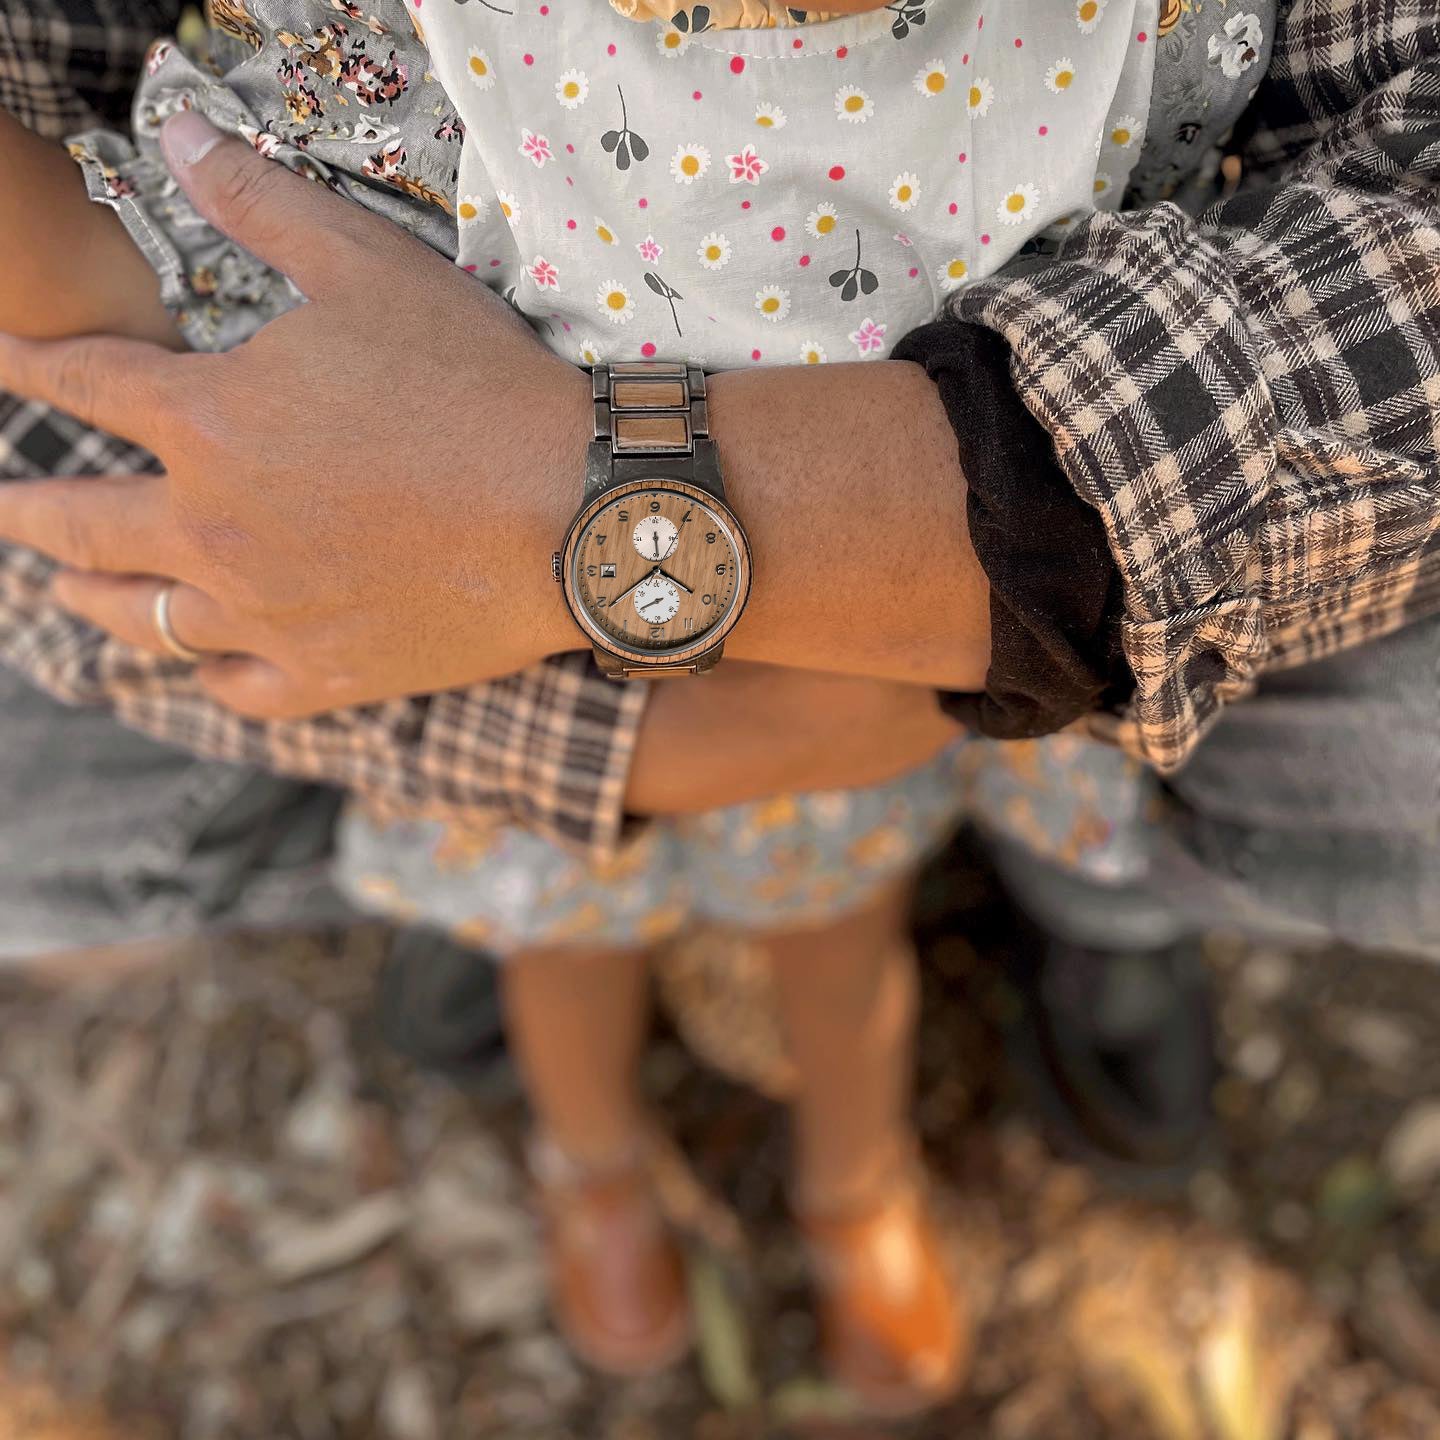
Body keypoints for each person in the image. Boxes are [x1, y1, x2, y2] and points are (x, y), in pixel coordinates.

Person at [0, 0, 1436, 1412]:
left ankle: (857, 1168)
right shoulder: (392, 54)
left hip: (877, 655)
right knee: (559, 930)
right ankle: (596, 1157)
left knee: (833, 916)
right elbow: (114, 331)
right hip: (476, 656)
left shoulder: (1121, 43)